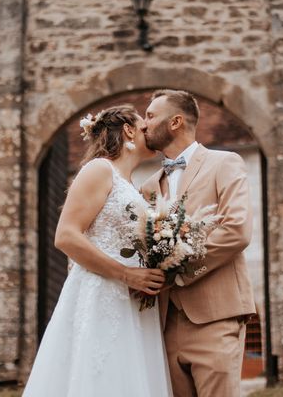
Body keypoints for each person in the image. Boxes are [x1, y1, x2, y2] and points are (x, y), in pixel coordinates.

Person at [22, 105, 173, 397]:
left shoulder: (133, 185)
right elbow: (66, 236)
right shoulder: (100, 169)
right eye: (144, 127)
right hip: (102, 292)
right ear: (128, 130)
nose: (150, 133)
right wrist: (127, 274)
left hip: (134, 300)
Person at [141, 89, 255, 397]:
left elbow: (236, 230)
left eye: (151, 116)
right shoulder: (148, 188)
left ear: (175, 121)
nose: (143, 124)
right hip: (163, 324)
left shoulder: (224, 163)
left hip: (215, 315)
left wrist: (178, 270)